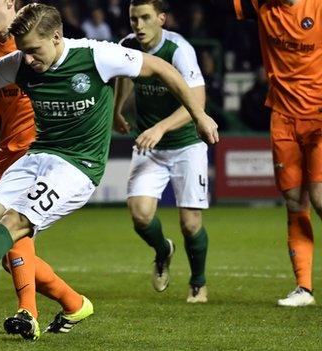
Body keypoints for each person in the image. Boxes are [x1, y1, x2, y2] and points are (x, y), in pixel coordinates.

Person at [0, 4, 218, 350]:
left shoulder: (97, 56)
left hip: (78, 167)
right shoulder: (18, 62)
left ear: (57, 37)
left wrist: (199, 116)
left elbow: (162, 68)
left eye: (34, 51)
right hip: (38, 156)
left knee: (14, 225)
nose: (28, 60)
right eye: (23, 51)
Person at [0, 0, 92, 341]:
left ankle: (28, 313)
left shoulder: (41, 41)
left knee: (12, 235)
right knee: (7, 256)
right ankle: (74, 303)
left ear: (10, 2)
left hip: (43, 151)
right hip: (9, 157)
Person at [214, 0, 322, 307]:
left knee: (320, 198)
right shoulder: (261, 5)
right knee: (293, 200)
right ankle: (304, 288)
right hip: (283, 117)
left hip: (319, 114)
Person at [113, 0, 210, 303]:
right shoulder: (127, 44)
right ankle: (163, 251)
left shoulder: (178, 50)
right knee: (140, 216)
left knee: (190, 222)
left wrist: (160, 128)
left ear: (162, 19)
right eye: (133, 19)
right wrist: (117, 110)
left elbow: (198, 102)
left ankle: (198, 281)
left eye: (145, 18)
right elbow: (126, 76)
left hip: (186, 144)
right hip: (149, 145)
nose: (138, 26)